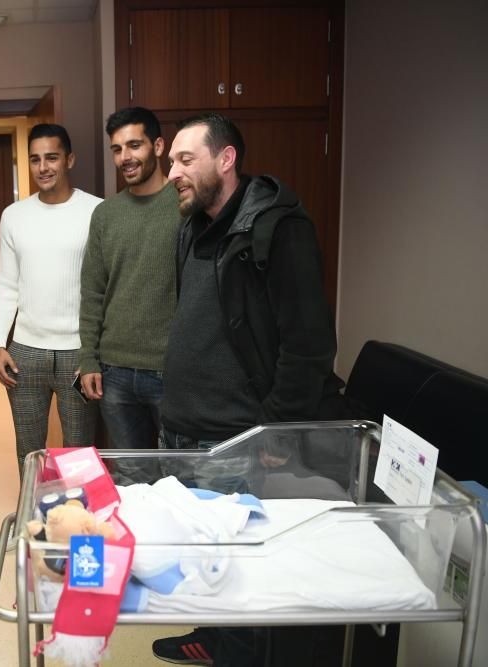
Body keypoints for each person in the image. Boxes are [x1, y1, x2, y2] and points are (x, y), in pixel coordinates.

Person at [152, 113, 344, 666]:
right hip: (182, 430)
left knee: (241, 574)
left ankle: (233, 653)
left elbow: (309, 344)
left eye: (186, 160)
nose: (174, 174)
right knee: (202, 558)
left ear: (226, 159)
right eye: (172, 163)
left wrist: (277, 431)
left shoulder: (277, 229)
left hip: (237, 441)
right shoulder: (191, 224)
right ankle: (209, 640)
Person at [0, 123, 101, 474]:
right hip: (25, 352)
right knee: (29, 454)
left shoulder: (97, 211)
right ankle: (34, 525)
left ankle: (78, 525)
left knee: (79, 456)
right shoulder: (14, 216)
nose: (43, 167)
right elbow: (7, 284)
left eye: (51, 157)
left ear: (69, 159)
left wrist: (95, 353)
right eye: (35, 159)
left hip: (78, 353)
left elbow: (105, 287)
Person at [78, 107, 181, 469]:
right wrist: (89, 359)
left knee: (178, 477)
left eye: (134, 146)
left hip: (171, 370)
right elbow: (92, 291)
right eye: (117, 149)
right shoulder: (106, 214)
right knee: (132, 478)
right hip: (115, 373)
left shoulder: (186, 205)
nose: (125, 157)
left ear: (157, 145)